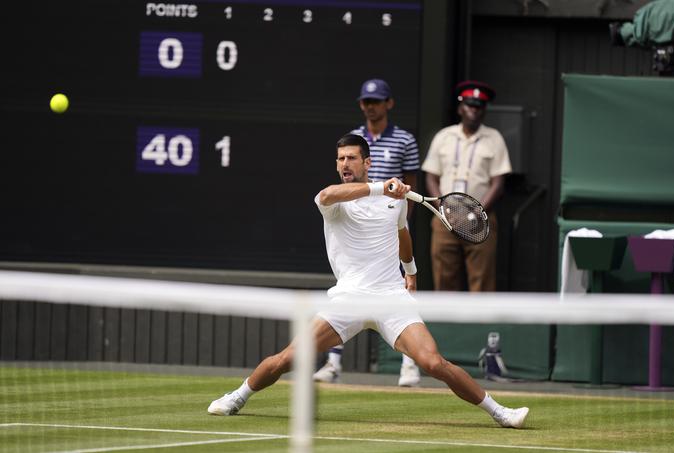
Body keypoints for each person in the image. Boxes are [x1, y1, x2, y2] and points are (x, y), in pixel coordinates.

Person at [207, 134, 529, 429]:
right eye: (340, 159)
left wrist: (412, 273)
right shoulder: (334, 203)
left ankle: (500, 412)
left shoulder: (396, 200)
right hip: (348, 298)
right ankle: (237, 397)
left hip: (391, 298)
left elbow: (403, 234)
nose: (344, 164)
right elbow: (328, 194)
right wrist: (380, 187)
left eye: (351, 158)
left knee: (434, 362)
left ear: (367, 162)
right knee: (290, 357)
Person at [314, 79, 422, 387]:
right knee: (348, 288)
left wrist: (395, 221)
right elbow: (338, 190)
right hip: (354, 218)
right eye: (365, 101)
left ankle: (409, 366)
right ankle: (333, 363)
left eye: (376, 101)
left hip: (388, 219)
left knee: (400, 298)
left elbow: (409, 178)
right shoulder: (354, 141)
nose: (370, 106)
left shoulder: (405, 139)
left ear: (388, 103)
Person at [422, 80, 511, 292]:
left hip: (481, 219)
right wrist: (444, 208)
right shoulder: (444, 137)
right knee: (444, 277)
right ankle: (447, 324)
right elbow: (431, 177)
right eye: (470, 105)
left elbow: (498, 183)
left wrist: (477, 211)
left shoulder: (494, 138)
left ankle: (481, 325)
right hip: (446, 219)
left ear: (484, 110)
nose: (474, 111)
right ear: (461, 107)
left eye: (479, 107)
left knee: (482, 279)